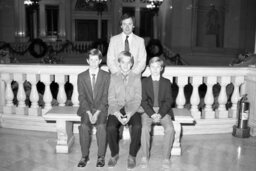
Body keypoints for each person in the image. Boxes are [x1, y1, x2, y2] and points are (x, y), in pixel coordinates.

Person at [107, 51, 142, 169]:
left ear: (132, 64)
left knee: (137, 126)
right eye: (123, 62)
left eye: (128, 62)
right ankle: (114, 154)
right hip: (117, 107)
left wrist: (129, 114)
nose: (125, 65)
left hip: (132, 108)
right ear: (119, 63)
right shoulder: (113, 77)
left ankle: (132, 155)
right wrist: (117, 114)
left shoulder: (136, 77)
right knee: (110, 127)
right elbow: (111, 98)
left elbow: (138, 98)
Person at [77, 49, 110, 168]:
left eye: (96, 60)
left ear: (100, 61)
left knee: (101, 127)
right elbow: (81, 97)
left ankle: (100, 156)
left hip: (101, 108)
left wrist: (96, 114)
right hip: (87, 109)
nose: (94, 62)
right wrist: (89, 113)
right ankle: (84, 156)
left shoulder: (106, 76)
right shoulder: (81, 76)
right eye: (91, 60)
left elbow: (106, 97)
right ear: (87, 60)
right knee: (84, 126)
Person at [140, 57, 175, 169]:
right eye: (152, 67)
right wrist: (152, 114)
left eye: (157, 67)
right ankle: (145, 156)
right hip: (148, 110)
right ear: (149, 68)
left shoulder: (166, 82)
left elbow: (169, 100)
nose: (155, 69)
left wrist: (160, 114)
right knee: (144, 128)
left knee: (170, 129)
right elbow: (143, 101)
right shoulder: (144, 82)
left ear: (161, 68)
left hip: (163, 111)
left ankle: (166, 158)